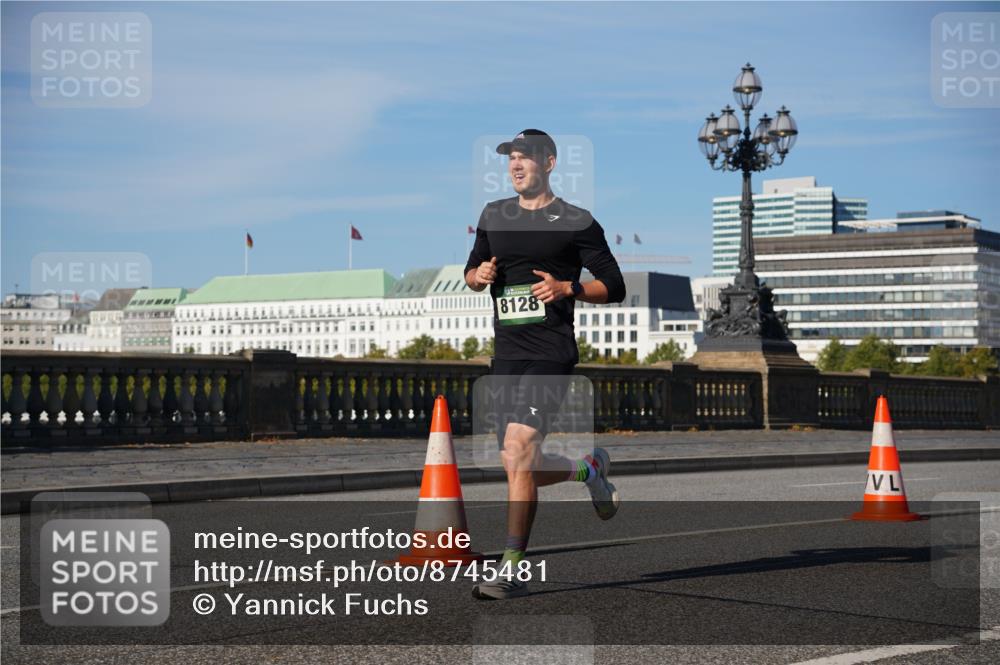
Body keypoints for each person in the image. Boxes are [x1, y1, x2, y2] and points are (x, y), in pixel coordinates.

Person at [464, 129, 626, 600]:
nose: (516, 166)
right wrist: (480, 277)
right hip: (507, 354)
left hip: (551, 351)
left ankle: (511, 567)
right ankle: (589, 471)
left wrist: (567, 288)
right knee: (519, 463)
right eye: (511, 158)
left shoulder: (576, 221)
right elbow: (471, 272)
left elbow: (613, 286)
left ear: (550, 164)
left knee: (518, 452)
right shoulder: (494, 215)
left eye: (525, 158)